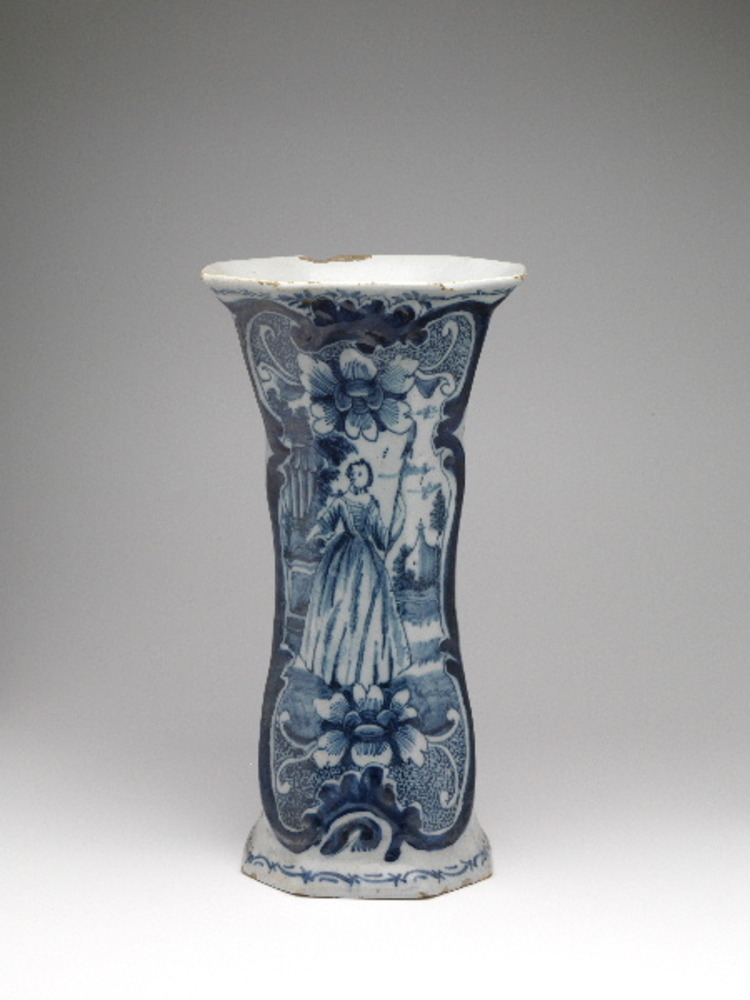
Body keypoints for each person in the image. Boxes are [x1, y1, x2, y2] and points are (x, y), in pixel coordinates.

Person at [298, 458, 410, 687]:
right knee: (340, 605)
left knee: (369, 608)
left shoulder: (371, 503)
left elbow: (380, 536)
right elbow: (326, 522)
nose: (360, 478)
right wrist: (311, 535)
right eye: (356, 474)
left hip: (368, 560)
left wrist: (396, 524)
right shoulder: (341, 502)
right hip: (343, 557)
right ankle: (336, 671)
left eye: (364, 474)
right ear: (350, 476)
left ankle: (369, 673)